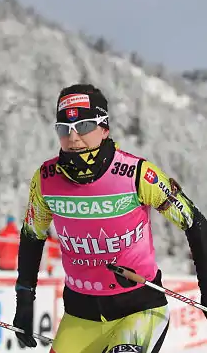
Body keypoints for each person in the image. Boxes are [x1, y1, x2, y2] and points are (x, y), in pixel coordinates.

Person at [13, 84, 207, 353]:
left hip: (138, 310)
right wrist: (24, 298)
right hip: (80, 316)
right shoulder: (46, 179)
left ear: (104, 128)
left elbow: (195, 223)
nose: (73, 137)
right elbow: (32, 236)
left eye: (82, 126)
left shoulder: (137, 174)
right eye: (63, 129)